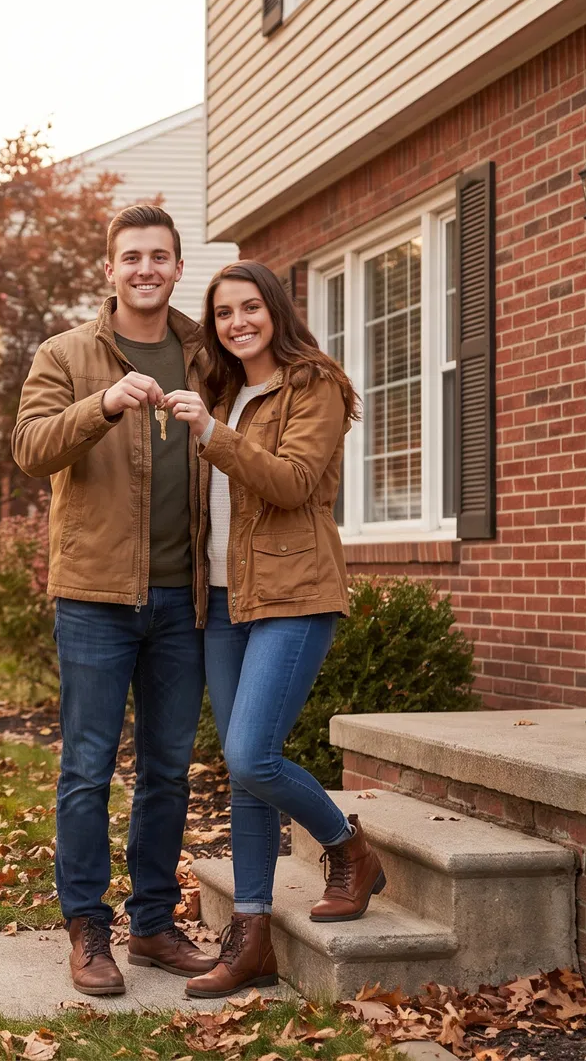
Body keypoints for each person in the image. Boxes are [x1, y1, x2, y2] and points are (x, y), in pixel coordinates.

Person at [161, 260, 386, 999]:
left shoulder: (312, 383)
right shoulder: (224, 388)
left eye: (249, 307)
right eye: (223, 313)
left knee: (253, 756)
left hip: (294, 594)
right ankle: (251, 936)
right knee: (245, 775)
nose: (237, 323)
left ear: (275, 310)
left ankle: (349, 848)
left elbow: (291, 482)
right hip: (223, 603)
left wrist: (212, 432)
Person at [11, 204, 216, 997]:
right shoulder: (66, 354)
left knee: (167, 770)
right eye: (131, 257)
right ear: (109, 269)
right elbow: (30, 450)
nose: (145, 269)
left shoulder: (204, 353)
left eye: (159, 257)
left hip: (182, 599)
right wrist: (100, 407)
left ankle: (157, 926)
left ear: (176, 266)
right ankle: (88, 929)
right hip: (95, 598)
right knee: (88, 769)